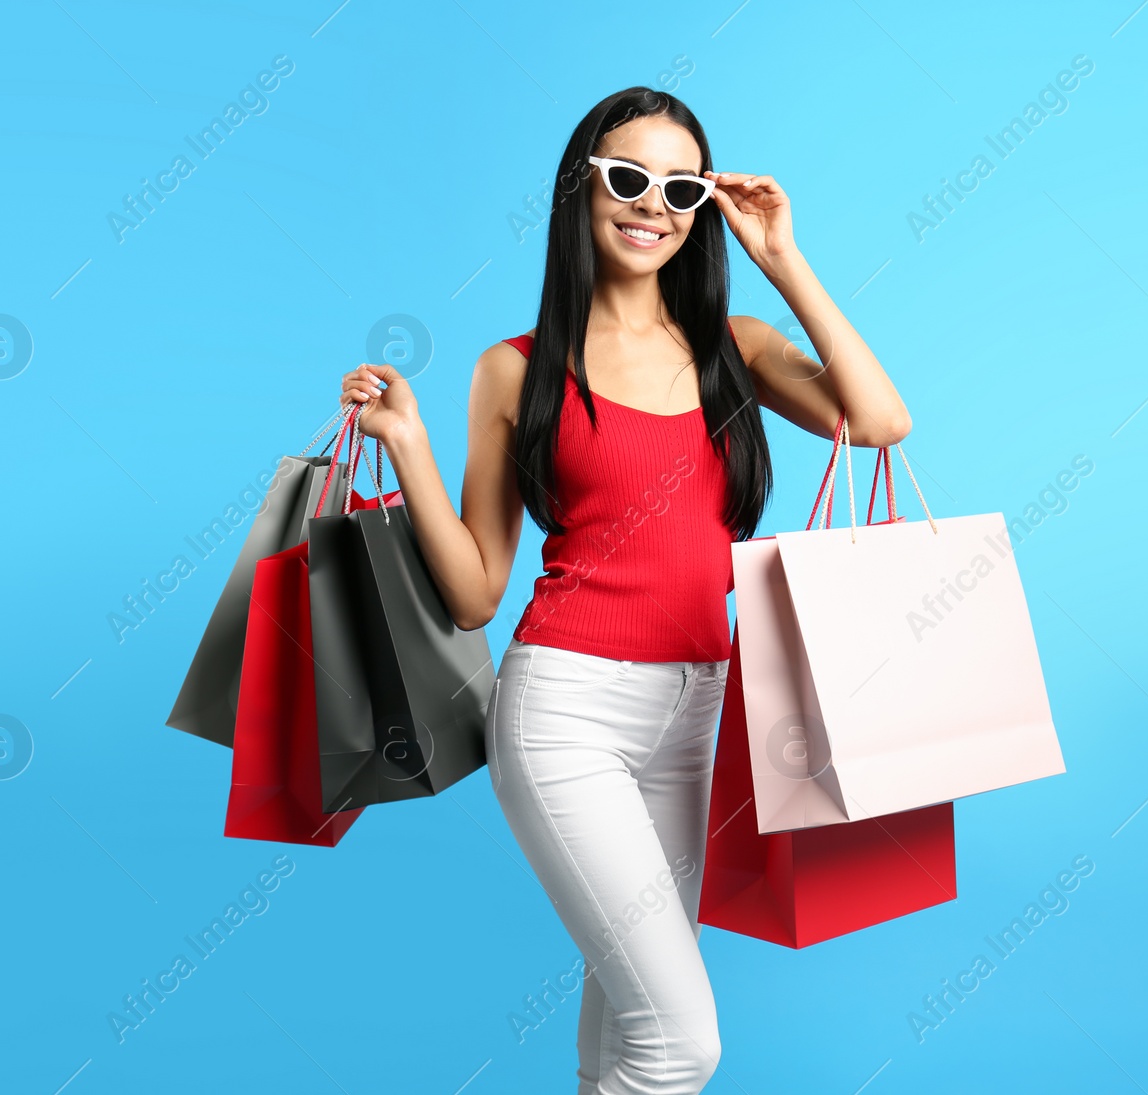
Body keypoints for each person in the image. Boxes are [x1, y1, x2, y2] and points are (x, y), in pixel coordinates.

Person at [339, 86, 911, 1095]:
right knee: (678, 1043)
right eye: (629, 178)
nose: (653, 205)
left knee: (622, 1037)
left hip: (697, 710)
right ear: (580, 188)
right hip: (565, 710)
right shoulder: (516, 371)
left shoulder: (734, 347)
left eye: (680, 187)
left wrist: (783, 261)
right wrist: (411, 451)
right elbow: (475, 594)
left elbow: (878, 421)